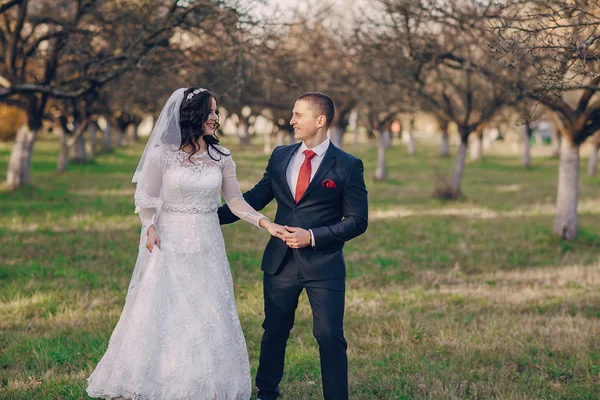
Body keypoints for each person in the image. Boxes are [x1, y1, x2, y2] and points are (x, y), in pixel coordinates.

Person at [86, 87, 287, 400]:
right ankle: (158, 378)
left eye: (216, 112)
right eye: (211, 112)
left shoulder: (221, 157)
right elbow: (146, 196)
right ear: (193, 116)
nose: (216, 118)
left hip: (208, 243)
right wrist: (150, 226)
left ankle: (205, 383)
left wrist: (266, 224)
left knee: (208, 312)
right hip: (171, 240)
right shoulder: (162, 154)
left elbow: (235, 201)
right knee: (167, 308)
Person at [218, 92, 369, 400]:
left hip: (324, 264)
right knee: (274, 330)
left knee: (329, 336)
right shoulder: (280, 155)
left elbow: (357, 221)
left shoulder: (348, 166)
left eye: (298, 115)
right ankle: (267, 392)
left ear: (320, 120)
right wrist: (202, 216)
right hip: (280, 262)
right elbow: (255, 198)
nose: (291, 121)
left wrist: (312, 236)